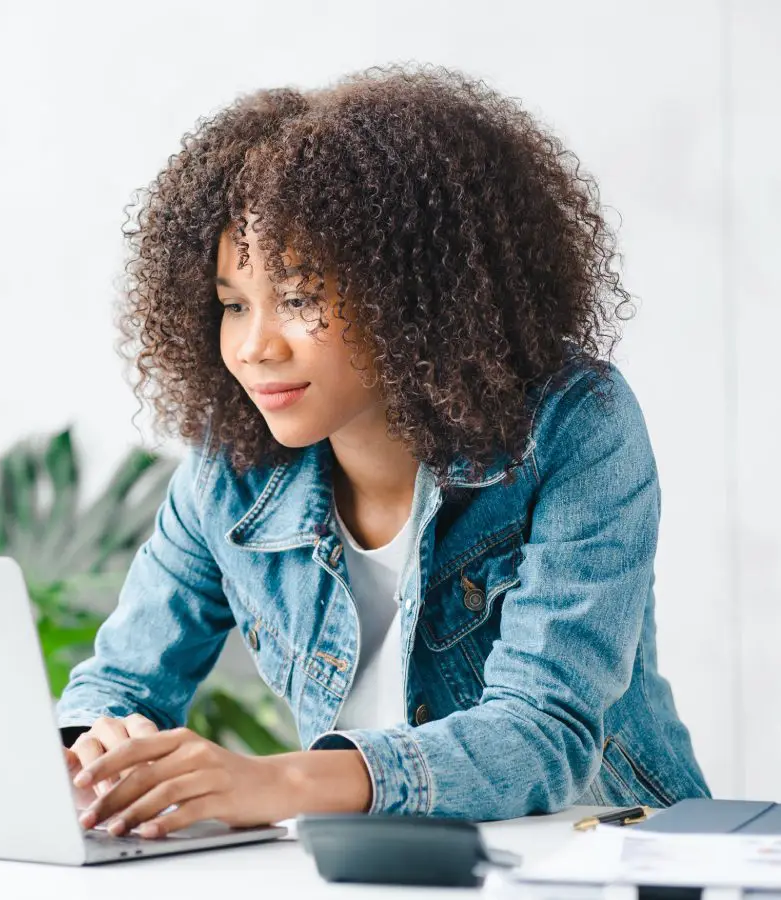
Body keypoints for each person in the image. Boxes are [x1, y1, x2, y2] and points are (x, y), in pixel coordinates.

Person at [54, 64, 710, 839]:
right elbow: (120, 684)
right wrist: (97, 749)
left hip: (604, 852)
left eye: (298, 299)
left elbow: (544, 732)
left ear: (412, 295)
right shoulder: (230, 466)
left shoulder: (574, 425)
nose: (255, 347)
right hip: (374, 868)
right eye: (234, 305)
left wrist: (274, 782)